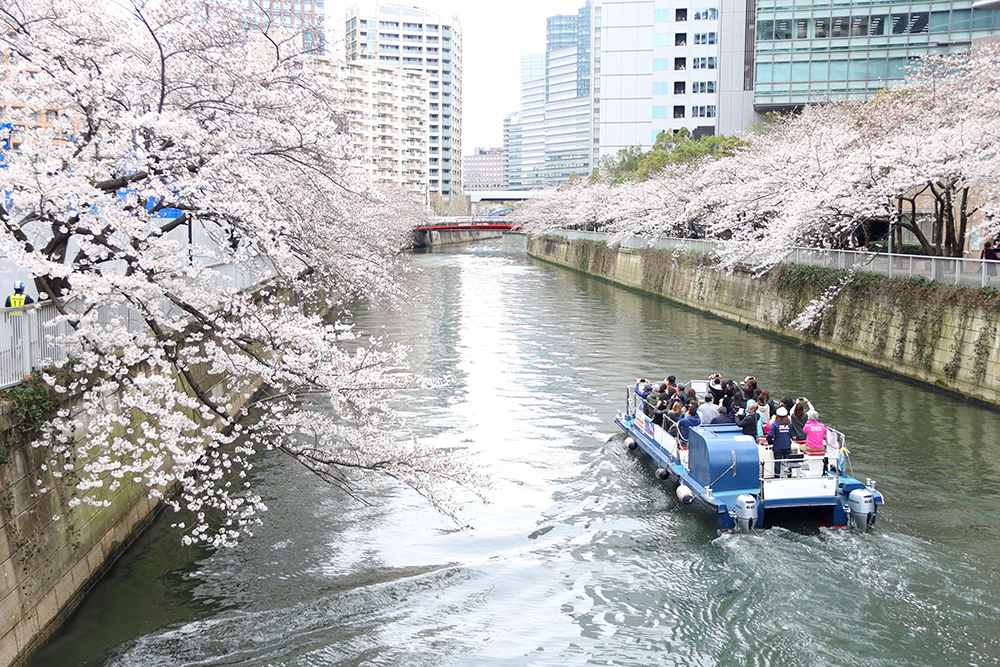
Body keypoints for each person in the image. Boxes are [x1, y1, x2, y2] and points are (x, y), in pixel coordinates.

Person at [768, 406, 794, 477]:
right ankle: (789, 476)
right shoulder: (789, 425)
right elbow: (792, 435)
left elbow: (770, 435)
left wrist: (769, 440)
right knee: (788, 462)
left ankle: (777, 477)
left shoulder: (775, 425)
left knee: (777, 462)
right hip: (787, 446)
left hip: (777, 446)